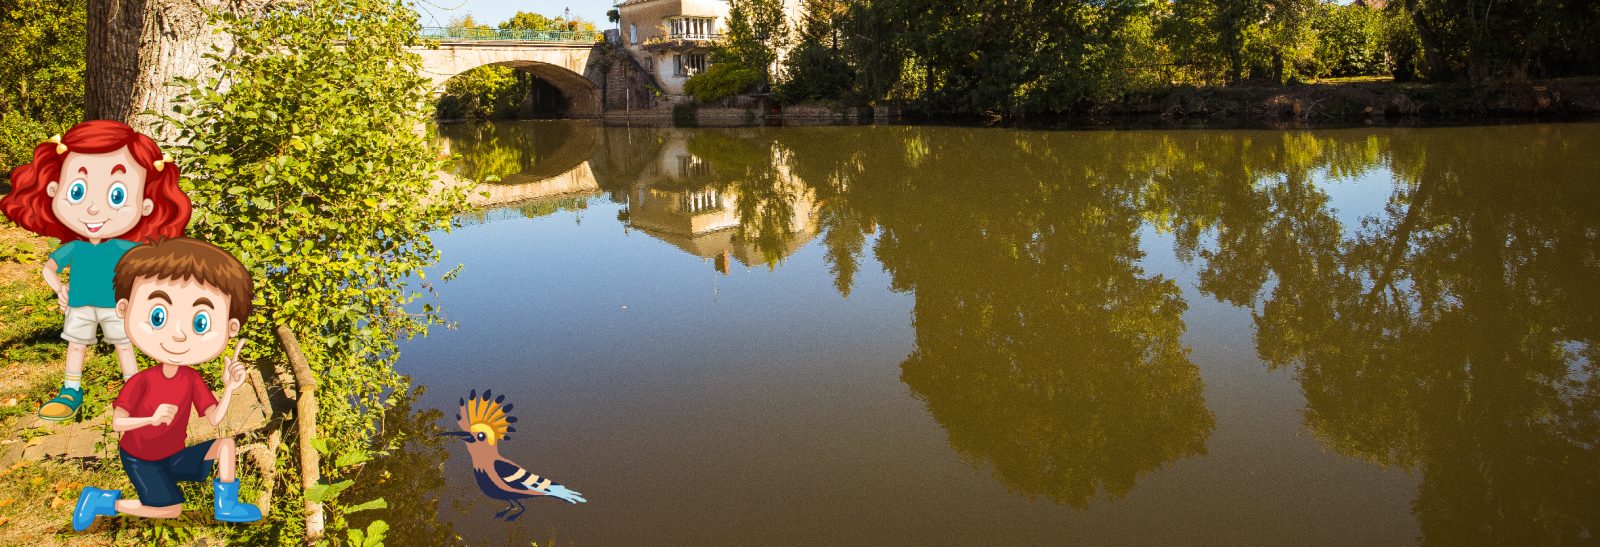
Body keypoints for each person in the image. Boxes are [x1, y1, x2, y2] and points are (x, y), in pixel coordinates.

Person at [0, 121, 191, 421]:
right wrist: (59, 289)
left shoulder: (122, 247)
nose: (92, 209)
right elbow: (49, 268)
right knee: (76, 346)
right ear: (54, 190)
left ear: (145, 205)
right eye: (77, 191)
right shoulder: (76, 246)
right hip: (79, 304)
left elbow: (143, 272)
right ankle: (70, 390)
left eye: (117, 196)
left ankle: (135, 389)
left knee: (123, 347)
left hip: (116, 306)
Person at [71, 237, 262, 530]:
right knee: (170, 510)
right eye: (158, 316)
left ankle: (227, 504)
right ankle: (101, 501)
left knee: (225, 444)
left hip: (173, 454)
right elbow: (118, 425)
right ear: (124, 309)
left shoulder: (191, 378)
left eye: (200, 322)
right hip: (141, 459)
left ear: (230, 327)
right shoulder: (141, 381)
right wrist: (151, 418)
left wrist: (229, 390)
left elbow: (214, 420)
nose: (178, 335)